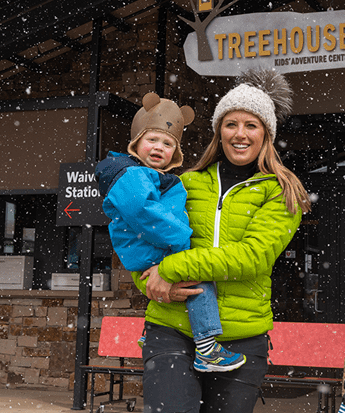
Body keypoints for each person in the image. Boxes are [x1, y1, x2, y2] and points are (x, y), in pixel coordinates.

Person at [138, 69, 312, 413]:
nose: (240, 134)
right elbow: (143, 238)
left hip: (241, 336)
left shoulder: (281, 192)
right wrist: (150, 284)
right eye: (231, 124)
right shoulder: (186, 183)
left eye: (251, 125)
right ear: (219, 132)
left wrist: (170, 269)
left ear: (266, 134)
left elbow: (251, 257)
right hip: (172, 327)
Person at [95, 92, 247, 373]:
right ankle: (207, 349)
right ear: (135, 143)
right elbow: (145, 213)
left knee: (184, 286)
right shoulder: (131, 175)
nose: (159, 147)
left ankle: (153, 334)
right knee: (199, 282)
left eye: (167, 144)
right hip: (157, 245)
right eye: (152, 140)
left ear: (175, 154)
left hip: (154, 245)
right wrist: (180, 239)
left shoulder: (148, 176)